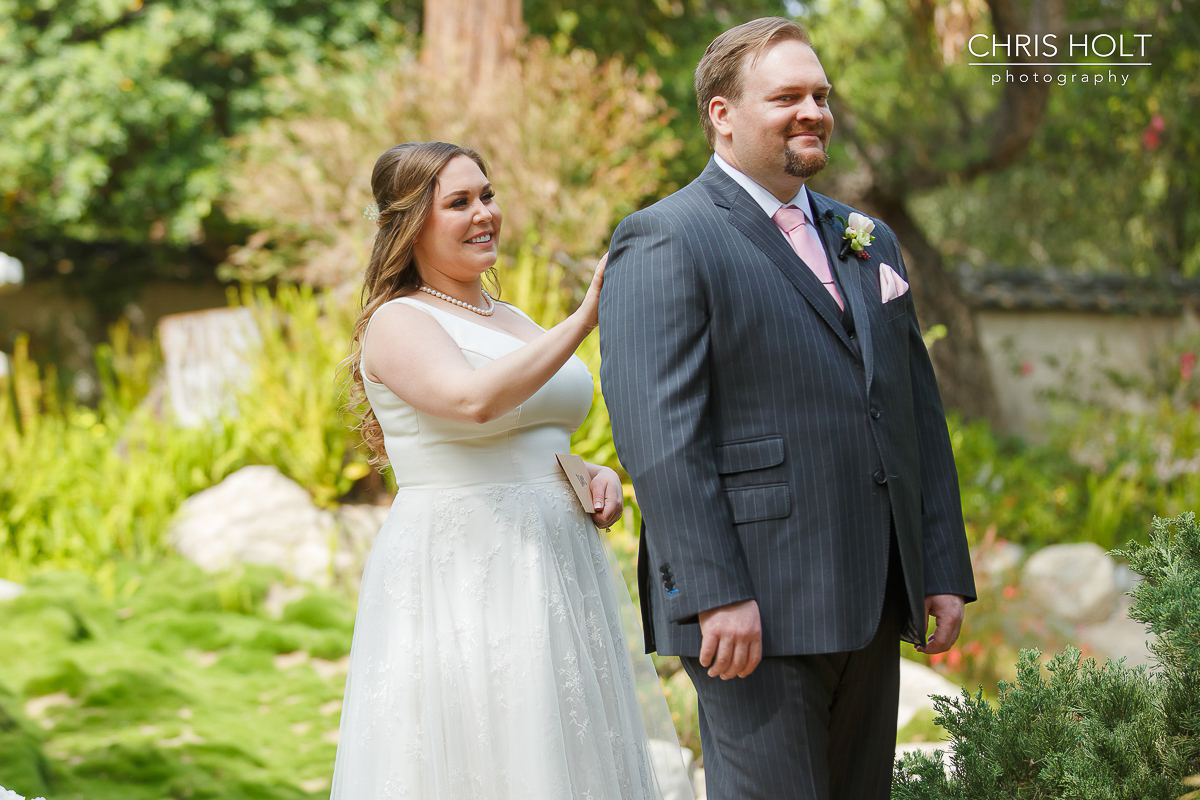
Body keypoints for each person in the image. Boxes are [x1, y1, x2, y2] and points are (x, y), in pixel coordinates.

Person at [598, 17, 976, 800]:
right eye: (787, 97)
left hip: (870, 593)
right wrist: (714, 592)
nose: (813, 110)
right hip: (751, 605)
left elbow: (912, 414)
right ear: (722, 114)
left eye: (821, 95)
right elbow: (660, 436)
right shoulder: (666, 238)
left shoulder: (866, 238)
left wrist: (937, 566)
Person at [330, 141, 675, 799]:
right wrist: (585, 315)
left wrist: (587, 469)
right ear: (410, 224)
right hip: (467, 565)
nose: (483, 213)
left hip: (555, 561)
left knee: (567, 750)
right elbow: (471, 403)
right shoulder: (398, 321)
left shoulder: (511, 318)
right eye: (458, 202)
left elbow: (532, 429)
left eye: (486, 195)